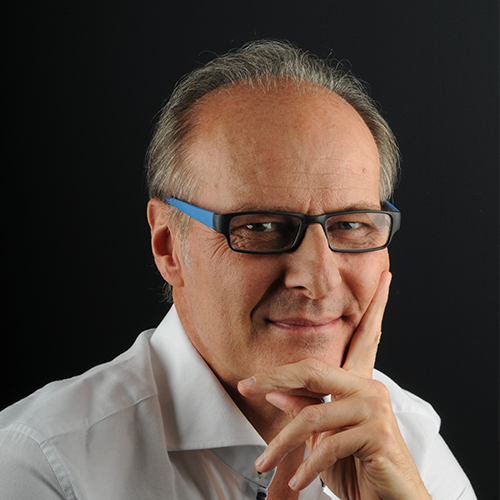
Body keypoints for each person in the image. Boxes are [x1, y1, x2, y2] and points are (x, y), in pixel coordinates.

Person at [0, 40, 476, 500]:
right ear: (168, 245)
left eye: (351, 224)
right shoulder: (40, 465)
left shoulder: (411, 446)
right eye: (261, 226)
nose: (318, 280)